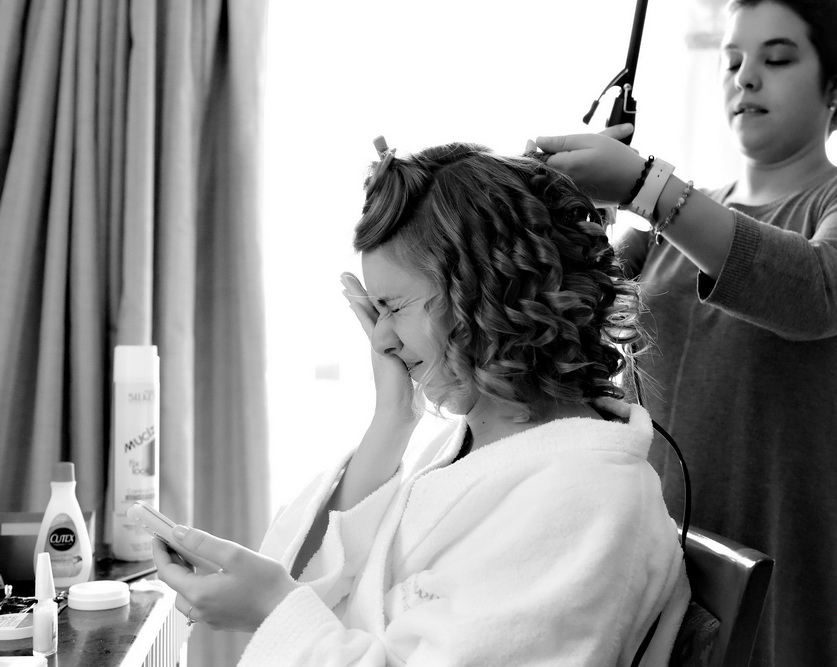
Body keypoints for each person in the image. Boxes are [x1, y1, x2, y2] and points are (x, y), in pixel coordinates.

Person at [151, 141, 690, 665]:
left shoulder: (584, 498)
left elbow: (318, 604)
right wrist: (393, 417)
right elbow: (340, 581)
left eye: (394, 306)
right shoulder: (480, 443)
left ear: (488, 294)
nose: (380, 338)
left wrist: (273, 608)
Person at [532, 0, 837, 665]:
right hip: (671, 561)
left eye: (777, 58)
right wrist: (570, 206)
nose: (746, 78)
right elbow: (559, 324)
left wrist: (649, 188)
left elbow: (816, 292)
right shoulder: (668, 231)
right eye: (732, 61)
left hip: (809, 560)